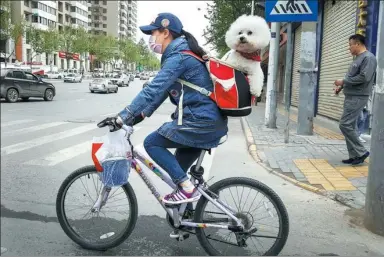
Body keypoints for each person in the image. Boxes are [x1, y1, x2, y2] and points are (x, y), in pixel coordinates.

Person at [98, 13, 228, 204]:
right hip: (206, 123)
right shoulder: (180, 56)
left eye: (153, 33)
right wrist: (136, 117)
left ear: (166, 32)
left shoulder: (179, 58)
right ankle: (187, 215)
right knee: (178, 174)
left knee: (152, 143)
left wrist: (121, 117)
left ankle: (187, 190)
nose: (151, 39)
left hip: (200, 123)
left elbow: (152, 90)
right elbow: (159, 96)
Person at [334, 34, 377, 165]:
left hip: (358, 96)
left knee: (344, 124)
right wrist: (341, 87)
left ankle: (361, 152)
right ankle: (354, 155)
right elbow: (352, 76)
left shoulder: (368, 58)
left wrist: (343, 81)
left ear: (357, 44)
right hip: (351, 95)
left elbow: (364, 78)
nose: (349, 48)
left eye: (350, 45)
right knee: (350, 125)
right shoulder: (358, 58)